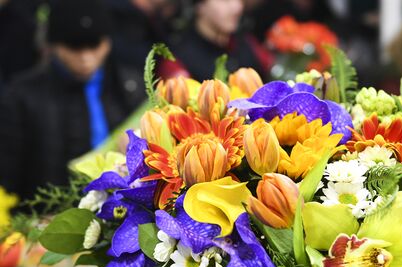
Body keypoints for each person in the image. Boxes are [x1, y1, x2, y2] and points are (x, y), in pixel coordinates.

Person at [0, 0, 145, 200]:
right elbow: (8, 177)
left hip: (121, 208)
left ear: (108, 41)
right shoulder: (21, 98)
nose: (86, 57)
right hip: (48, 215)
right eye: (73, 46)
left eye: (94, 45)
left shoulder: (131, 86)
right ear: (53, 45)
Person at [168, 0, 271, 81]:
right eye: (224, 1)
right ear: (199, 6)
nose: (237, 7)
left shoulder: (245, 41)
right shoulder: (178, 59)